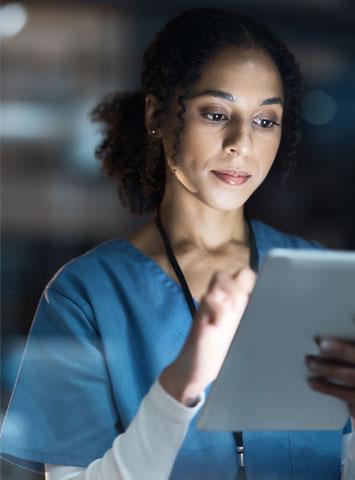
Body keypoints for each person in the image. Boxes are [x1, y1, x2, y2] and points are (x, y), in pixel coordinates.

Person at [0, 8, 354, 480]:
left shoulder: (322, 279)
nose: (241, 143)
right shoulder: (84, 296)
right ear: (157, 116)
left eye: (265, 121)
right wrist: (180, 382)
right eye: (216, 113)